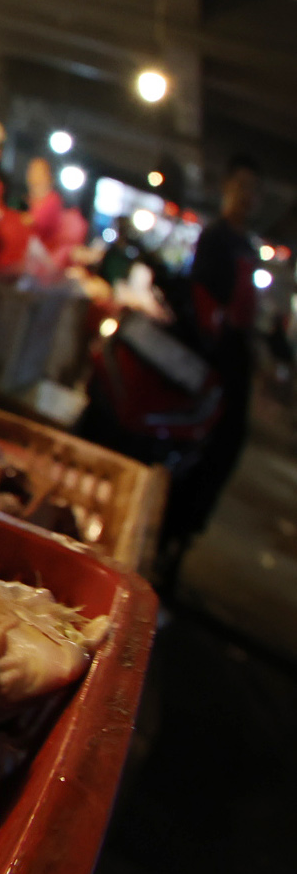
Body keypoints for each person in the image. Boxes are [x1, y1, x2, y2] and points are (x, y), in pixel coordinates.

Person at [160, 154, 265, 582]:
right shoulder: (216, 238)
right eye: (239, 187)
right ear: (225, 189)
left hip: (234, 357)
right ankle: (172, 525)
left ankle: (187, 528)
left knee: (227, 445)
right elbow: (204, 301)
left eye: (252, 192)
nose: (245, 198)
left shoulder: (247, 246)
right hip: (214, 358)